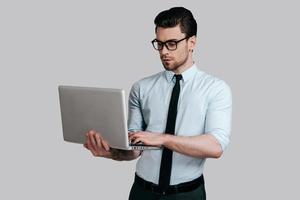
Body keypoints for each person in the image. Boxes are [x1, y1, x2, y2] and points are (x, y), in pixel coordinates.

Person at [84, 7, 232, 200]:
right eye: (159, 44)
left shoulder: (216, 89)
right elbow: (136, 149)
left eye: (171, 44)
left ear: (191, 42)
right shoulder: (141, 88)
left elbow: (215, 146)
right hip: (142, 192)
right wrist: (111, 152)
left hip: (187, 195)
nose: (163, 51)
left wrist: (162, 139)